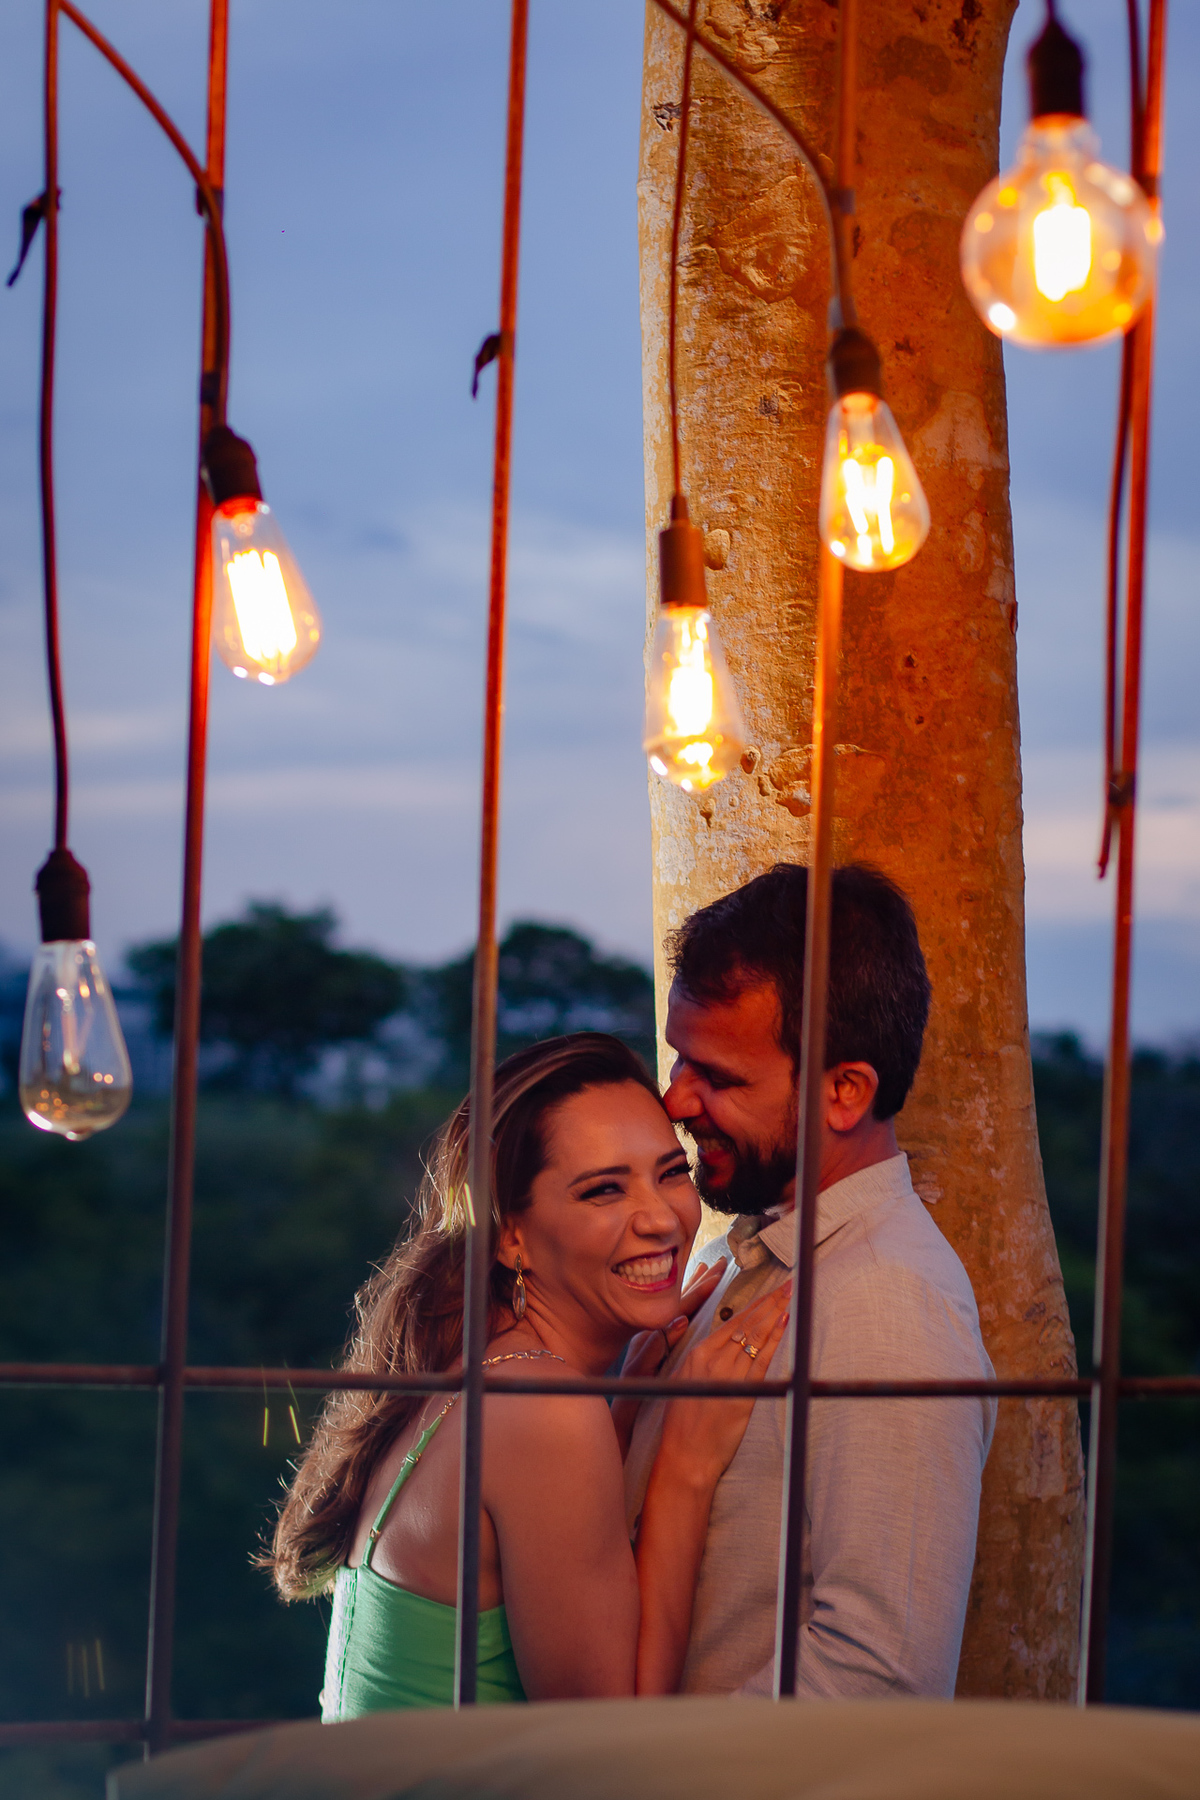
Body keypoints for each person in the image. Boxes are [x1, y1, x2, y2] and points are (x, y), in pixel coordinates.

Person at [265, 1031, 788, 1714]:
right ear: (511, 1235)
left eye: (670, 1173)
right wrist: (685, 1463)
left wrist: (625, 1414)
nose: (662, 1219)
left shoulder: (472, 1370)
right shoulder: (543, 1409)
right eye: (604, 1191)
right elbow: (610, 1742)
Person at [623, 862, 997, 1699]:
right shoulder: (742, 1251)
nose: (675, 1101)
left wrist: (653, 1762)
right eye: (679, 1060)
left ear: (844, 1091)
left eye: (719, 1077)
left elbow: (879, 1680)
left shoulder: (889, 1308)